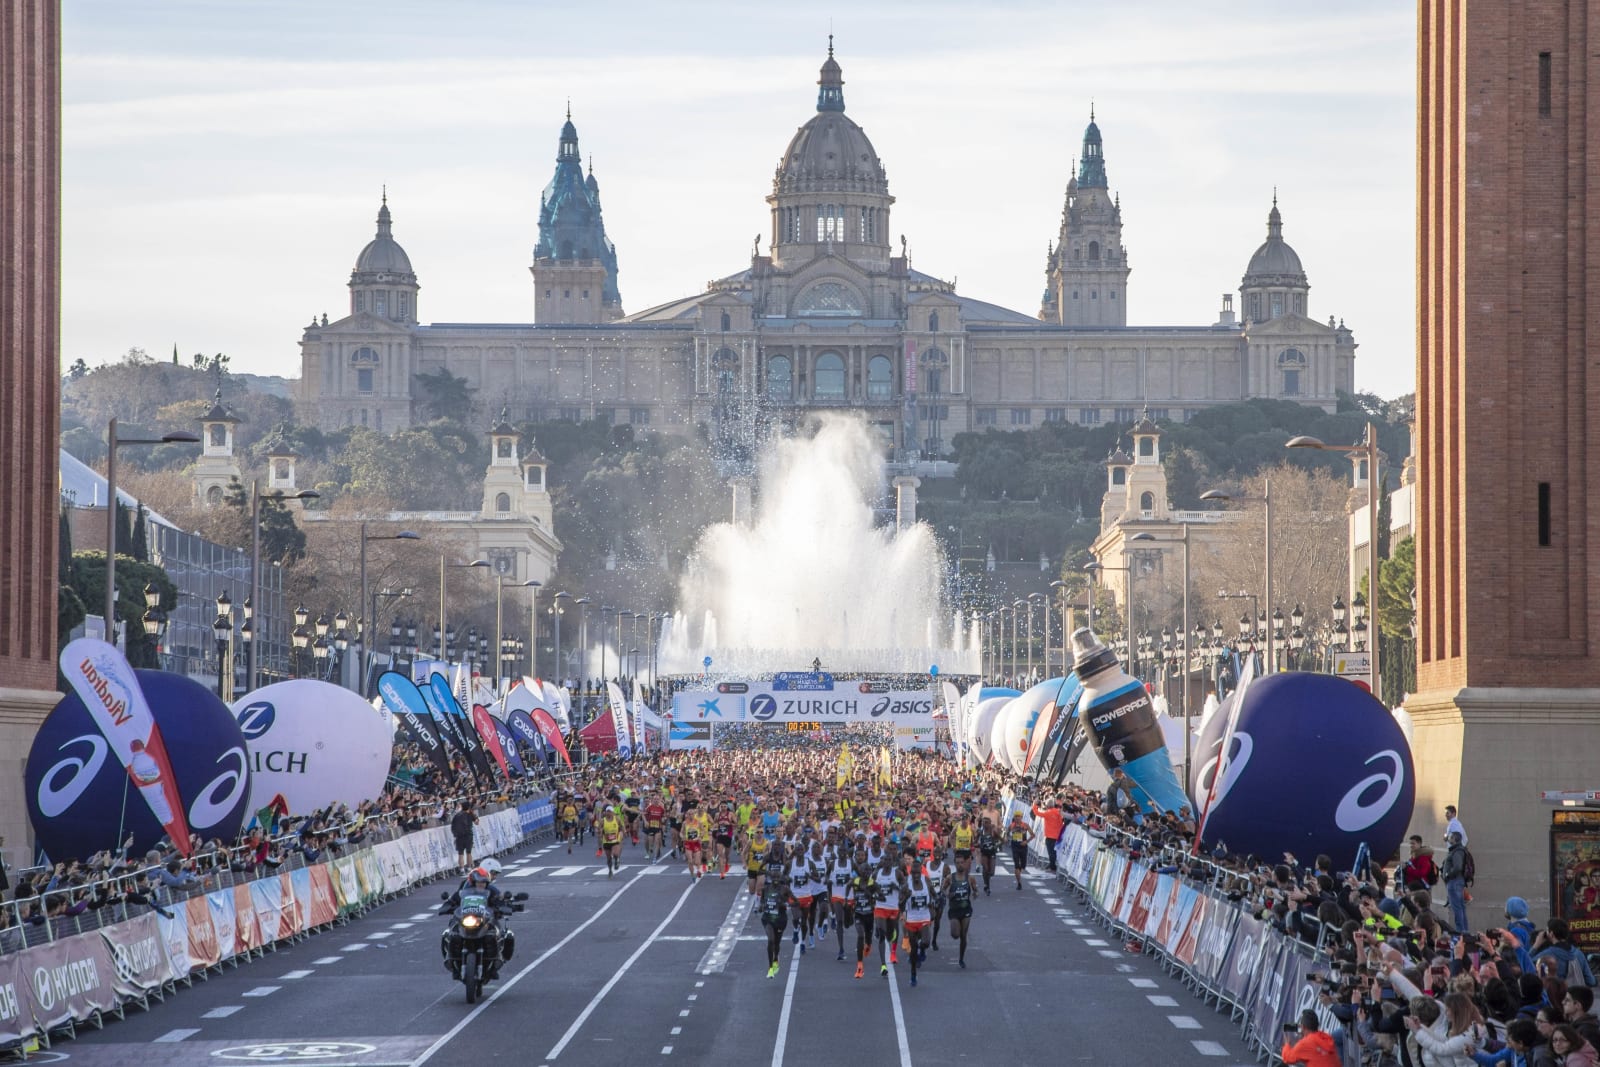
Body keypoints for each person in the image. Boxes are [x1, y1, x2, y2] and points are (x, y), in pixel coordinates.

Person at [903, 857, 933, 988]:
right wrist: (904, 898)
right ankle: (913, 975)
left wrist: (936, 900)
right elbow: (900, 903)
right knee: (913, 950)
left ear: (921, 871)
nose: (915, 875)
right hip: (911, 919)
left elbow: (933, 893)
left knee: (926, 941)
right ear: (911, 873)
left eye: (917, 872)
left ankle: (923, 949)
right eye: (913, 873)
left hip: (924, 917)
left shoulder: (926, 881)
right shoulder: (906, 884)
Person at [945, 855, 978, 969]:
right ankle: (956, 931)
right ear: (955, 864)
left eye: (962, 862)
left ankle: (961, 958)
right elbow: (943, 890)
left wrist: (975, 893)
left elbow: (975, 890)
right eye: (957, 863)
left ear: (965, 863)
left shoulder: (970, 878)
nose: (960, 865)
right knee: (955, 935)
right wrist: (949, 895)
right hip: (954, 910)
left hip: (966, 910)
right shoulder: (950, 878)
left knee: (963, 935)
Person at [758, 868, 790, 979]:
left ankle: (776, 957)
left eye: (778, 877)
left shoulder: (784, 889)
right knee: (771, 940)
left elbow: (791, 901)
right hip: (768, 918)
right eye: (774, 877)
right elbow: (762, 901)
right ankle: (770, 968)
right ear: (771, 878)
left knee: (777, 943)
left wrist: (783, 904)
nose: (775, 879)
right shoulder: (766, 889)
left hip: (780, 919)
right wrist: (761, 906)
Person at [1443, 831, 1471, 932]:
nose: (1448, 838)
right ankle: (1464, 931)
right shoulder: (1457, 850)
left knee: (1457, 908)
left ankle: (1461, 932)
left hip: (1454, 882)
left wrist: (1448, 874)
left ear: (1454, 839)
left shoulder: (1457, 851)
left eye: (1450, 837)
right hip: (1457, 882)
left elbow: (1458, 867)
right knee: (1460, 907)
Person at [1032, 796, 1064, 872]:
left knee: (1051, 852)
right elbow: (1062, 821)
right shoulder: (1058, 812)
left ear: (1047, 805)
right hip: (1057, 835)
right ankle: (1052, 865)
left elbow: (1037, 813)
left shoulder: (1048, 813)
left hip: (1050, 836)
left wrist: (1035, 805)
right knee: (1054, 852)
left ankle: (1052, 866)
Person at [1006, 811, 1033, 891]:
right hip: (1015, 846)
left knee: (1023, 865)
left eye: (1019, 816)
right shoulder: (1011, 826)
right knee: (1017, 865)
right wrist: (1007, 838)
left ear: (1021, 817)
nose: (1017, 818)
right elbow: (1006, 833)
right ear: (1014, 817)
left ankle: (1019, 872)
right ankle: (1019, 883)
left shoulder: (1025, 825)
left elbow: (1033, 835)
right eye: (1016, 816)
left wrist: (1026, 841)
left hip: (1023, 846)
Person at [598, 805, 624, 878]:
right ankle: (610, 870)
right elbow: (598, 830)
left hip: (615, 840)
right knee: (609, 858)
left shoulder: (617, 819)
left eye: (610, 811)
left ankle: (617, 860)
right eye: (607, 811)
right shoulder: (603, 821)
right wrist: (600, 831)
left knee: (615, 853)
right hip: (606, 841)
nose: (608, 813)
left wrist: (622, 833)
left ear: (613, 812)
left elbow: (622, 827)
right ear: (605, 812)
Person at [450, 801, 477, 872]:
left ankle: (461, 869)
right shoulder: (470, 814)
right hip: (468, 835)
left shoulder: (457, 815)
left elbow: (453, 825)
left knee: (460, 853)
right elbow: (477, 822)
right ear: (469, 807)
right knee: (469, 852)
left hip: (459, 836)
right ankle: (469, 867)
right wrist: (473, 815)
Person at [976, 817, 998, 895]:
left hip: (992, 852)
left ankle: (986, 882)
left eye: (987, 823)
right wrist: (978, 845)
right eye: (984, 823)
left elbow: (1002, 840)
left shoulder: (993, 831)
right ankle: (986, 886)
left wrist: (996, 845)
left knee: (991, 872)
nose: (985, 824)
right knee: (986, 869)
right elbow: (975, 842)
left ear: (990, 823)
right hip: (984, 853)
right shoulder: (980, 832)